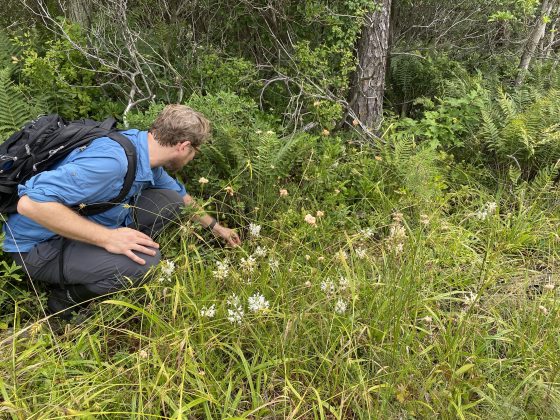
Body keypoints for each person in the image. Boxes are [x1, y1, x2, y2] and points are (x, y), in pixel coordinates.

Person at [2, 104, 241, 320]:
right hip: (37, 247)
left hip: (73, 225)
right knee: (146, 263)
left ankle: (100, 259)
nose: (192, 158)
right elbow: (30, 204)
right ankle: (65, 299)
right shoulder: (112, 163)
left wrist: (216, 227)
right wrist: (109, 238)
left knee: (169, 200)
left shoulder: (141, 150)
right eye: (194, 153)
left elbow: (181, 197)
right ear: (184, 146)